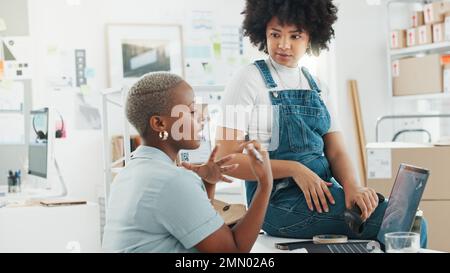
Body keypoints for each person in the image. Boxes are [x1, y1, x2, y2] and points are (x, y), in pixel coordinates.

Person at [216, 0, 427, 247]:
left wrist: (352, 187)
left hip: (325, 194)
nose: (284, 45)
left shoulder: (317, 86)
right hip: (276, 204)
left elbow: (336, 151)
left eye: (295, 36)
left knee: (411, 219)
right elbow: (226, 162)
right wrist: (295, 169)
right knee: (407, 224)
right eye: (275, 34)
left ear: (312, 37)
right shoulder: (247, 79)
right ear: (262, 32)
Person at [102, 72, 273, 253]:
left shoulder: (130, 172)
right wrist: (265, 184)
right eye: (191, 111)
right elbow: (232, 254)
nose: (202, 118)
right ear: (159, 124)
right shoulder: (171, 180)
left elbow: (194, 227)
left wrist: (208, 183)